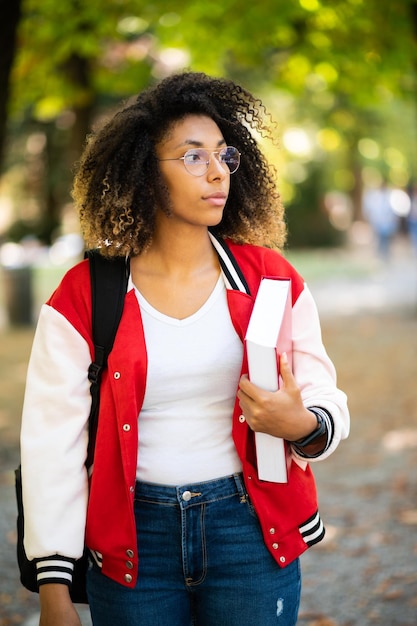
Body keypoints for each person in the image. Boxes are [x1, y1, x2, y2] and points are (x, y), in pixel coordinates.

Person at [20, 71, 350, 626]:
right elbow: (51, 441)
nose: (218, 170)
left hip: (248, 533)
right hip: (132, 541)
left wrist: (303, 424)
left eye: (224, 155)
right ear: (144, 171)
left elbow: (325, 398)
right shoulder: (84, 294)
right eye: (193, 157)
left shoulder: (270, 280)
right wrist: (53, 586)